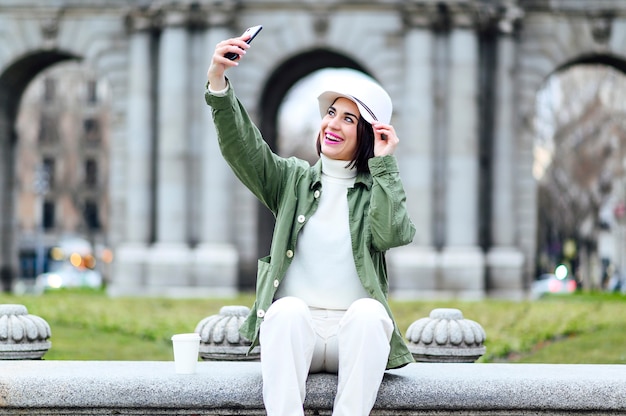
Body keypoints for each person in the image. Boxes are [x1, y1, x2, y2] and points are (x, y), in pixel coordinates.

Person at [205, 32, 416, 416]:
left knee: (371, 314)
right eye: (330, 113)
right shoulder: (292, 179)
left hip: (353, 337)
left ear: (368, 133)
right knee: (286, 310)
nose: (332, 124)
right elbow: (244, 147)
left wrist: (384, 165)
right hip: (295, 334)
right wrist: (218, 80)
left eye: (348, 118)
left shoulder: (375, 190)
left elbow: (392, 233)